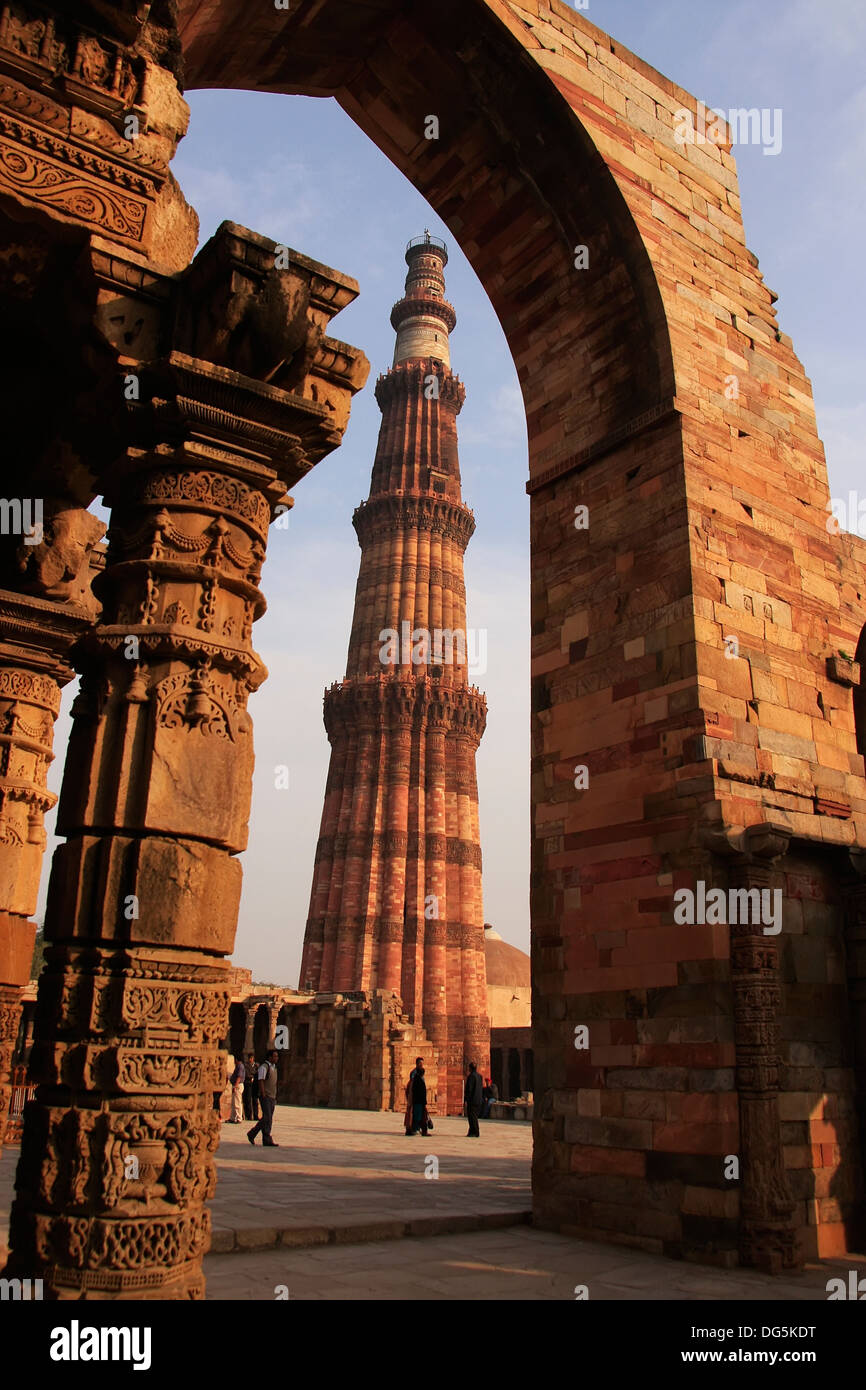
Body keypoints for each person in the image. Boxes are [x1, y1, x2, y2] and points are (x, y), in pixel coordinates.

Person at [247, 1049, 279, 1146]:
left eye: (277, 1056)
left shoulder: (274, 1068)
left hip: (272, 1096)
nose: (276, 1058)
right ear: (269, 1057)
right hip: (266, 1096)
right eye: (274, 1056)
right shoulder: (264, 1067)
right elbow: (261, 1080)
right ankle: (253, 1134)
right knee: (267, 1117)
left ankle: (265, 1138)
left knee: (268, 1118)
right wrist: (263, 1093)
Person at [405, 1064, 428, 1137]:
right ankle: (414, 1129)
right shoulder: (417, 1080)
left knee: (418, 1116)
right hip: (418, 1102)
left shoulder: (418, 1080)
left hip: (419, 1101)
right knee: (416, 1116)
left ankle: (416, 1129)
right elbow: (418, 1092)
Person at [464, 1060, 483, 1137]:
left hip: (472, 1100)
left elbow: (470, 1089)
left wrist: (466, 1099)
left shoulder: (471, 1076)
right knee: (474, 1116)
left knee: (472, 1116)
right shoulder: (480, 1076)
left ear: (470, 1068)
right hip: (478, 1099)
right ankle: (472, 1131)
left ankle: (475, 1131)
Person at [229, 1055, 245, 1122]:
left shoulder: (240, 1066)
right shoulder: (238, 1066)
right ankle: (233, 1118)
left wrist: (235, 1086)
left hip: (238, 1085)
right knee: (233, 1103)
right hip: (236, 1085)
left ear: (236, 1059)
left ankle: (239, 1118)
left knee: (237, 1102)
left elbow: (239, 1077)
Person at [243, 1051, 258, 1121]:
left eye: (251, 1058)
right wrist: (251, 1077)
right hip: (248, 1084)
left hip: (254, 1084)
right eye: (249, 1058)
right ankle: (248, 1116)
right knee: (248, 1100)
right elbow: (246, 1074)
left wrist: (254, 1077)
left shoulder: (256, 1065)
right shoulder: (246, 1065)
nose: (250, 1059)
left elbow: (257, 1073)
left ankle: (256, 1115)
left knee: (255, 1100)